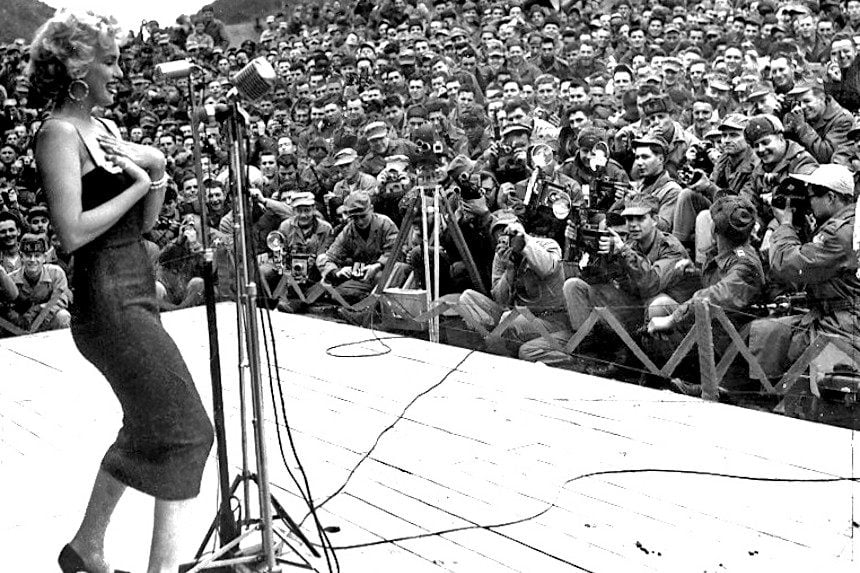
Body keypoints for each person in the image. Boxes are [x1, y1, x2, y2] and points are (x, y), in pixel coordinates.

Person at [29, 11, 213, 573]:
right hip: (107, 297)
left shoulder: (104, 128)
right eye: (109, 61)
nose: (120, 72)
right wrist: (138, 182)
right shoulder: (58, 134)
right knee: (187, 433)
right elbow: (72, 232)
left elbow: (145, 223)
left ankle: (85, 549)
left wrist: (155, 169)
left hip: (136, 287)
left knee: (148, 426)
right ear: (77, 69)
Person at [750, 164, 860, 379]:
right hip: (841, 314)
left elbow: (787, 265)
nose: (808, 203)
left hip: (845, 325)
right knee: (771, 330)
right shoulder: (849, 223)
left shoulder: (839, 233)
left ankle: (765, 394)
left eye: (811, 197)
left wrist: (785, 225)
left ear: (831, 197)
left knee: (768, 333)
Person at [648, 196, 766, 396]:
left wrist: (672, 318)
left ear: (714, 229)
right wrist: (694, 273)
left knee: (661, 309)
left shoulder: (746, 263)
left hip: (731, 346)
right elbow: (720, 283)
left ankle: (692, 378)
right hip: (716, 333)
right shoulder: (729, 254)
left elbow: (717, 295)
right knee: (661, 305)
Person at [5, 232, 72, 331]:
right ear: (21, 257)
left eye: (37, 256)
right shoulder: (11, 279)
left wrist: (37, 309)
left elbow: (60, 300)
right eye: (28, 255)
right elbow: (7, 308)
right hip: (21, 324)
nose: (32, 260)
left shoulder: (56, 273)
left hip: (47, 320)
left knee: (63, 316)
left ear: (44, 257)